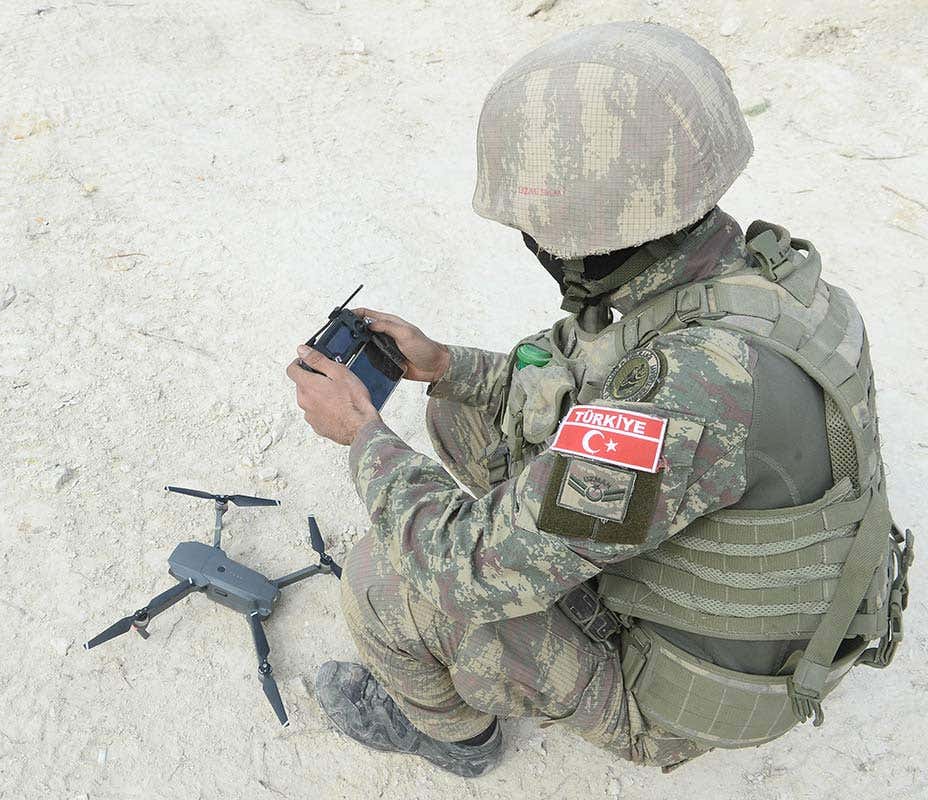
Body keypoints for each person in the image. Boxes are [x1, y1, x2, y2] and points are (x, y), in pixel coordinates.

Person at [284, 21, 912, 778]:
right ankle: (555, 545)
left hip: (687, 689)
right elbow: (597, 382)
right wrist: (449, 365)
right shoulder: (769, 284)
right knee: (464, 406)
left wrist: (362, 435)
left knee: (385, 583)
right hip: (761, 597)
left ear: (586, 235)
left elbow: (469, 567)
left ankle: (455, 737)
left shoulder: (687, 391)